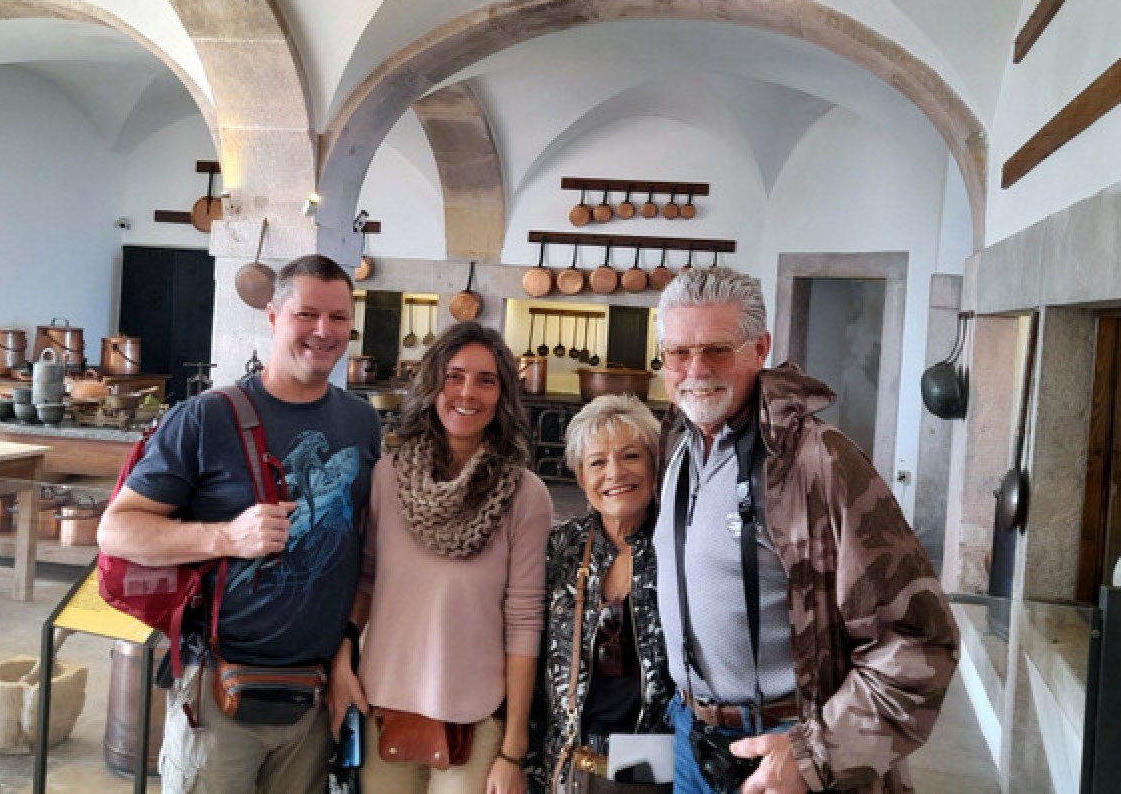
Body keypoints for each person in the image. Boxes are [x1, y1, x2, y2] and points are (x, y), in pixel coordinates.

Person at [651, 267, 959, 794]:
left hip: (784, 747)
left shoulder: (818, 461)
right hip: (691, 738)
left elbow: (920, 641)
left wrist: (814, 755)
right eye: (678, 353)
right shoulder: (679, 445)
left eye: (718, 350)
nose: (695, 370)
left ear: (760, 347)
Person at [97, 254, 382, 794]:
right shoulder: (206, 416)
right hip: (219, 693)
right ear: (273, 316)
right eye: (307, 315)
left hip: (313, 693)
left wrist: (345, 652)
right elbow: (116, 530)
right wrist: (227, 536)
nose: (324, 332)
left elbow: (357, 551)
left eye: (339, 318)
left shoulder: (360, 421)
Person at [335, 320, 553, 794]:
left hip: (474, 721)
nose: (467, 392)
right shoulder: (387, 478)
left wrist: (514, 747)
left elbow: (523, 621)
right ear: (433, 384)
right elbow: (366, 581)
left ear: (502, 396)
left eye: (485, 380)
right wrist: (344, 658)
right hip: (383, 711)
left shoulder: (526, 495)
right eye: (454, 376)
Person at [528, 393, 675, 793]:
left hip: (658, 762)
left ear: (654, 465)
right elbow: (527, 649)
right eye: (597, 462)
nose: (615, 473)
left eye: (631, 456)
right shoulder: (559, 548)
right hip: (568, 763)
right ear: (580, 477)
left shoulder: (679, 546)